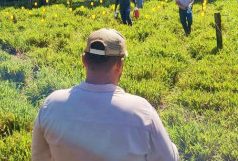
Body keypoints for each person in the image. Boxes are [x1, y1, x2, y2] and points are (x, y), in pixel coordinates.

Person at [32, 28, 179, 160]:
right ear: (120, 65)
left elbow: (38, 156)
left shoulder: (51, 105)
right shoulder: (141, 112)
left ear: (84, 60)